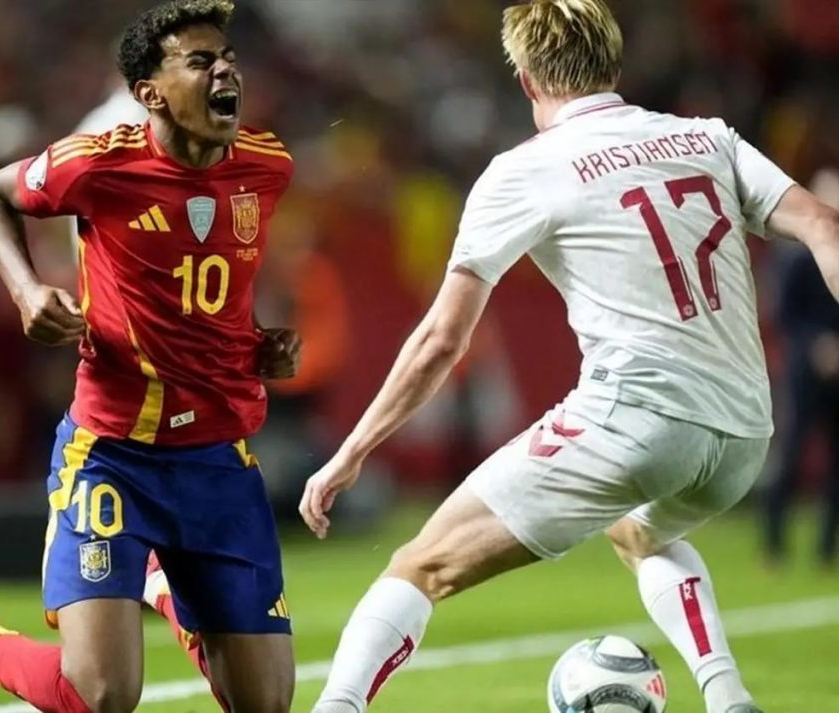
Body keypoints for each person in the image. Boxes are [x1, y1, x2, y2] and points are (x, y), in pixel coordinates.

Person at [298, 1, 839, 712]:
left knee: (419, 565)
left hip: (638, 419)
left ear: (526, 79)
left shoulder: (525, 170)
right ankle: (728, 695)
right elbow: (823, 223)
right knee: (638, 530)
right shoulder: (706, 136)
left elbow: (441, 340)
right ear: (614, 62)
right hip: (742, 431)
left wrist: (352, 451)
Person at [0, 2, 301, 712]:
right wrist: (25, 290)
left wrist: (261, 340)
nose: (225, 71)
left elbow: (213, 284)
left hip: (217, 458)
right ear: (150, 93)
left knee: (264, 705)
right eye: (200, 62)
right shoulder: (99, 164)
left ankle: (162, 578)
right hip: (115, 454)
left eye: (228, 58)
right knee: (102, 694)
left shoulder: (267, 166)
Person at [765, 169, 839, 569]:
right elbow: (784, 314)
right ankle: (773, 545)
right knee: (791, 454)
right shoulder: (795, 256)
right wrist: (816, 344)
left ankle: (827, 549)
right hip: (803, 371)